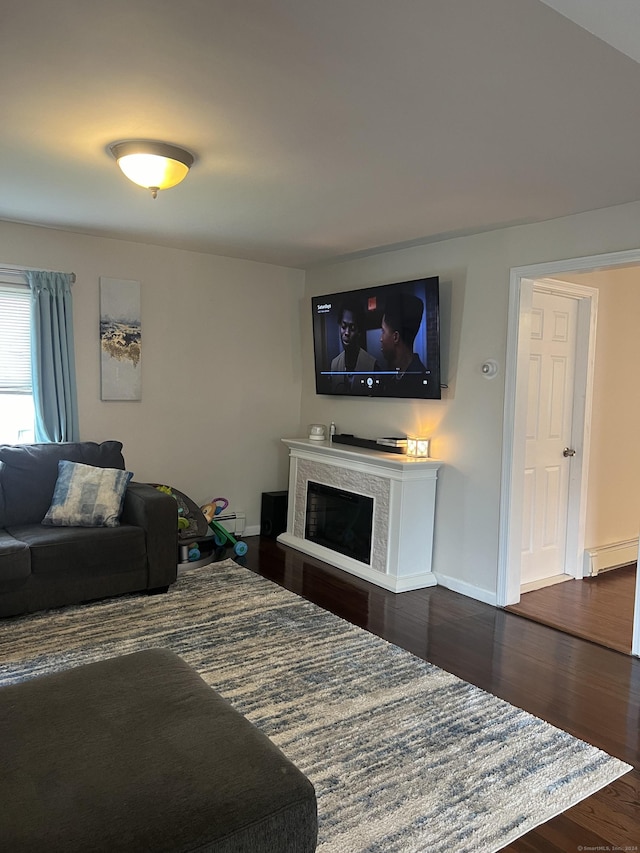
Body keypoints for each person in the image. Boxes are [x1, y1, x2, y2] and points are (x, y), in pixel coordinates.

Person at [380, 292, 427, 395]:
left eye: (383, 331)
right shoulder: (391, 378)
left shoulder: (421, 384)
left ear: (395, 337)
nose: (381, 339)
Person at [330, 301, 379, 393]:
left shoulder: (372, 365)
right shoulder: (334, 364)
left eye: (352, 328)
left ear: (359, 331)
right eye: (343, 327)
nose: (347, 333)